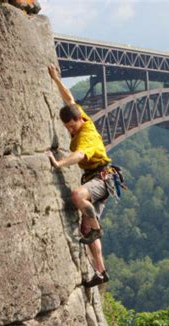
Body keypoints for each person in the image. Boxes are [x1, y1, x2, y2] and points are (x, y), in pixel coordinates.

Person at [46, 63, 114, 288]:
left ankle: (95, 227)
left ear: (79, 121)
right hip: (94, 178)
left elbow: (79, 154)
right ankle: (101, 271)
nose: (69, 130)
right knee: (84, 230)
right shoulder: (81, 115)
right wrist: (56, 79)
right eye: (66, 128)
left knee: (77, 196)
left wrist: (59, 164)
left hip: (103, 178)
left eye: (71, 127)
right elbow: (70, 100)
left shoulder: (87, 136)